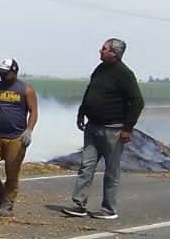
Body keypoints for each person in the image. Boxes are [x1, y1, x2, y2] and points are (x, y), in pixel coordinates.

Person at [62, 37, 145, 219]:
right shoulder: (100, 69)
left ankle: (108, 209)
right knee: (86, 165)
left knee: (111, 170)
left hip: (113, 131)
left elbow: (138, 102)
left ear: (114, 53)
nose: (100, 50)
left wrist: (128, 128)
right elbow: (91, 91)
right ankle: (79, 205)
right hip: (93, 127)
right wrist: (82, 112)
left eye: (104, 48)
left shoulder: (124, 74)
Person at [0, 58, 38, 216]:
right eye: (0, 73)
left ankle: (8, 202)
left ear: (14, 71)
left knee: (12, 171)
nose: (2, 75)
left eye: (5, 73)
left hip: (16, 137)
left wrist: (29, 131)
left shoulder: (26, 90)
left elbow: (33, 112)